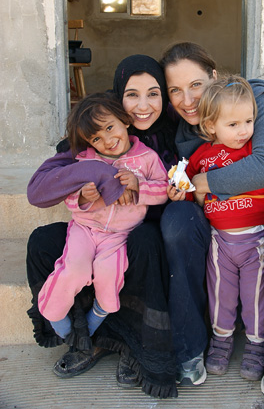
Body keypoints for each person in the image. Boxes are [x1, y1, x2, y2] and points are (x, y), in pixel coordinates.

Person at [159, 42, 264, 400]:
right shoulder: (188, 133)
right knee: (176, 223)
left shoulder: (251, 99)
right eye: (175, 90)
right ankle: (194, 347)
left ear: (215, 78)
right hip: (223, 233)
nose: (188, 100)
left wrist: (202, 182)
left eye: (196, 84)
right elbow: (186, 183)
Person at [26, 55, 178, 399]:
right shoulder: (87, 143)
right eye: (131, 94)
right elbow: (45, 189)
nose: (143, 105)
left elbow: (170, 189)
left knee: (144, 245)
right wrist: (84, 190)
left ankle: (131, 345)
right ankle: (81, 335)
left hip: (144, 235)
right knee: (42, 242)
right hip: (93, 228)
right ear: (118, 99)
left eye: (153, 94)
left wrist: (139, 187)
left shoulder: (170, 138)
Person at [169, 75, 264, 381]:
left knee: (256, 295)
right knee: (220, 294)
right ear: (211, 126)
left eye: (249, 121)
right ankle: (221, 340)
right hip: (220, 242)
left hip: (257, 240)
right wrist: (179, 192)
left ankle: (256, 344)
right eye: (234, 124)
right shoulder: (201, 157)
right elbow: (188, 185)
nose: (244, 131)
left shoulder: (253, 153)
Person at [37, 92, 169, 344]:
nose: (108, 140)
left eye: (110, 127)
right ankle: (59, 324)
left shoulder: (147, 158)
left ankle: (92, 323)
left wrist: (139, 186)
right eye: (97, 137)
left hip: (120, 236)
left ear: (125, 121)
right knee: (73, 271)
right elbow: (69, 197)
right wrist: (83, 197)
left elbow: (163, 191)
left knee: (109, 275)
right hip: (84, 230)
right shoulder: (86, 161)